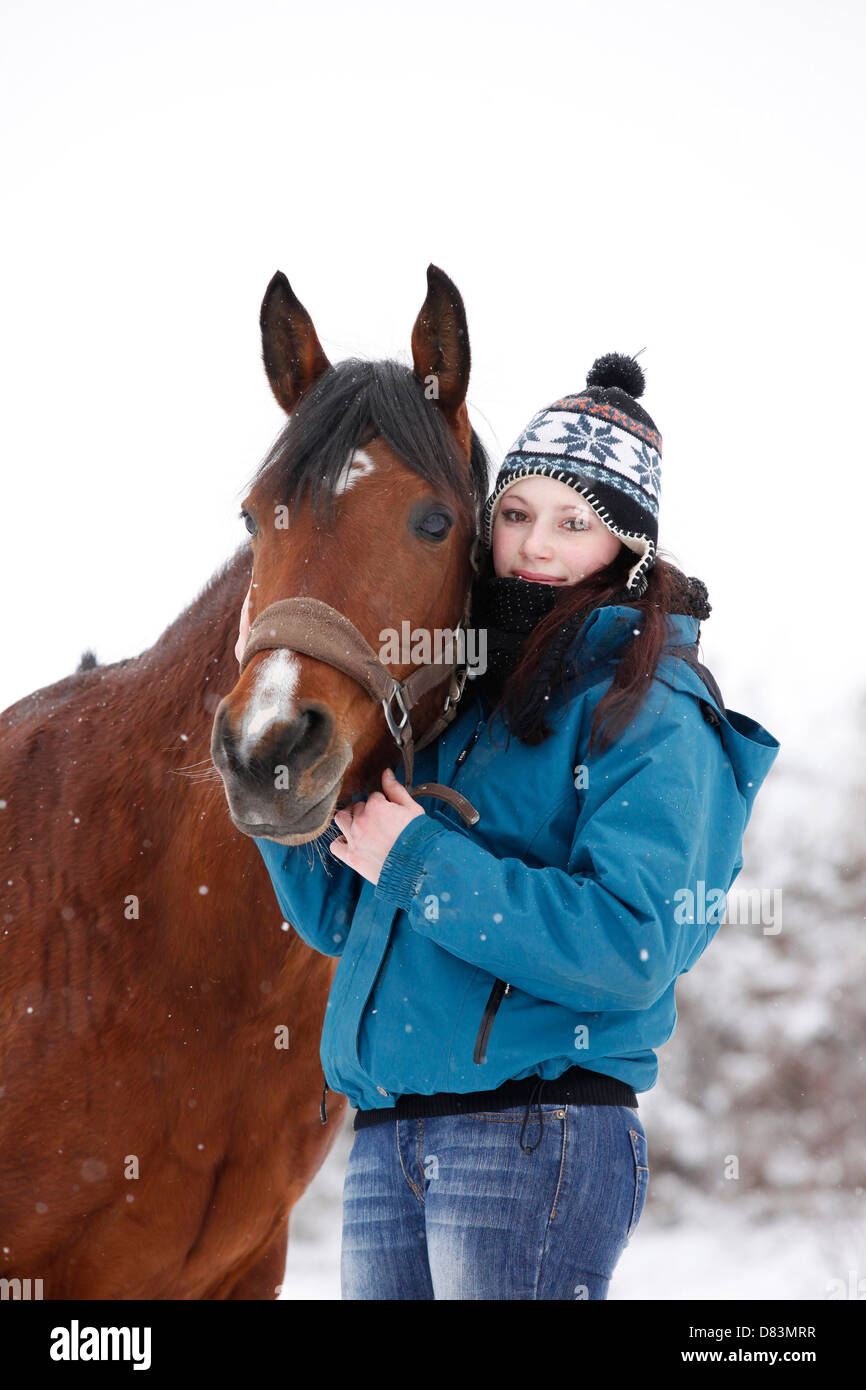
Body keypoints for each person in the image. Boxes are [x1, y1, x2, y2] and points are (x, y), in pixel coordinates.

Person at [251, 352, 781, 1300]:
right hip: (387, 1139)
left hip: (534, 1136)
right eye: (517, 515)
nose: (537, 544)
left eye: (575, 523)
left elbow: (631, 943)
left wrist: (417, 861)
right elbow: (345, 918)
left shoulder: (652, 707)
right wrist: (277, 794)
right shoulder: (460, 707)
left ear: (627, 548)